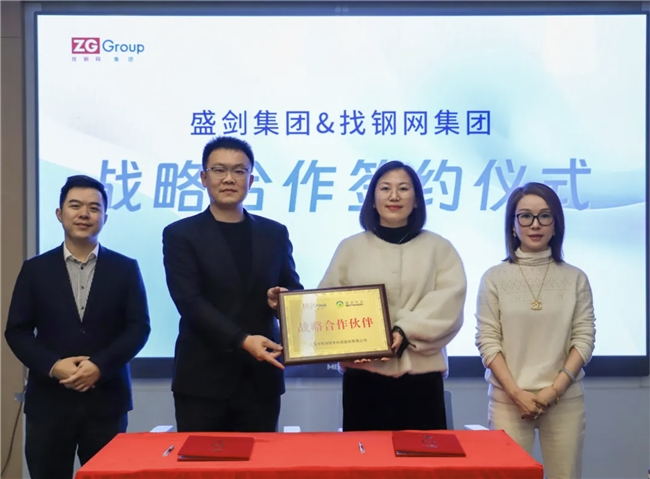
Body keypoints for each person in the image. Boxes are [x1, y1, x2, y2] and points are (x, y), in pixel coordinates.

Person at [287, 160, 466, 431]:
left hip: (421, 378)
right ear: (372, 199)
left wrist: (404, 330)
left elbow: (449, 301)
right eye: (385, 188)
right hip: (364, 379)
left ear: (417, 200)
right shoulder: (351, 248)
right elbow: (328, 305)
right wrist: (347, 343)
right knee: (365, 454)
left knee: (421, 456)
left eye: (403, 188)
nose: (394, 196)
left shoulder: (439, 248)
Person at [4, 175, 151, 479]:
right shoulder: (35, 269)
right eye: (75, 205)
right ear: (60, 214)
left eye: (94, 208)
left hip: (106, 401)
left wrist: (100, 365)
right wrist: (53, 365)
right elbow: (16, 331)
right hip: (49, 402)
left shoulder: (125, 268)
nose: (84, 214)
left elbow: (139, 328)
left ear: (105, 217)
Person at [163, 136, 302, 433]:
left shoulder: (274, 233)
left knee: (261, 460)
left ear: (250, 180)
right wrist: (242, 340)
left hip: (260, 381)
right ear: (204, 178)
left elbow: (294, 293)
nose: (229, 179)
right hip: (202, 381)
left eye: (239, 171)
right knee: (200, 461)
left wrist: (281, 301)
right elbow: (190, 302)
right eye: (219, 170)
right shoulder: (180, 235)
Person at [475, 182, 596, 479]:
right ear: (513, 225)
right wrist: (516, 393)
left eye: (545, 216)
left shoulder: (575, 278)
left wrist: (554, 390)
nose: (535, 224)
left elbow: (584, 338)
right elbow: (487, 341)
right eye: (525, 216)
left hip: (564, 401)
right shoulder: (493, 278)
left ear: (556, 224)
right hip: (508, 401)